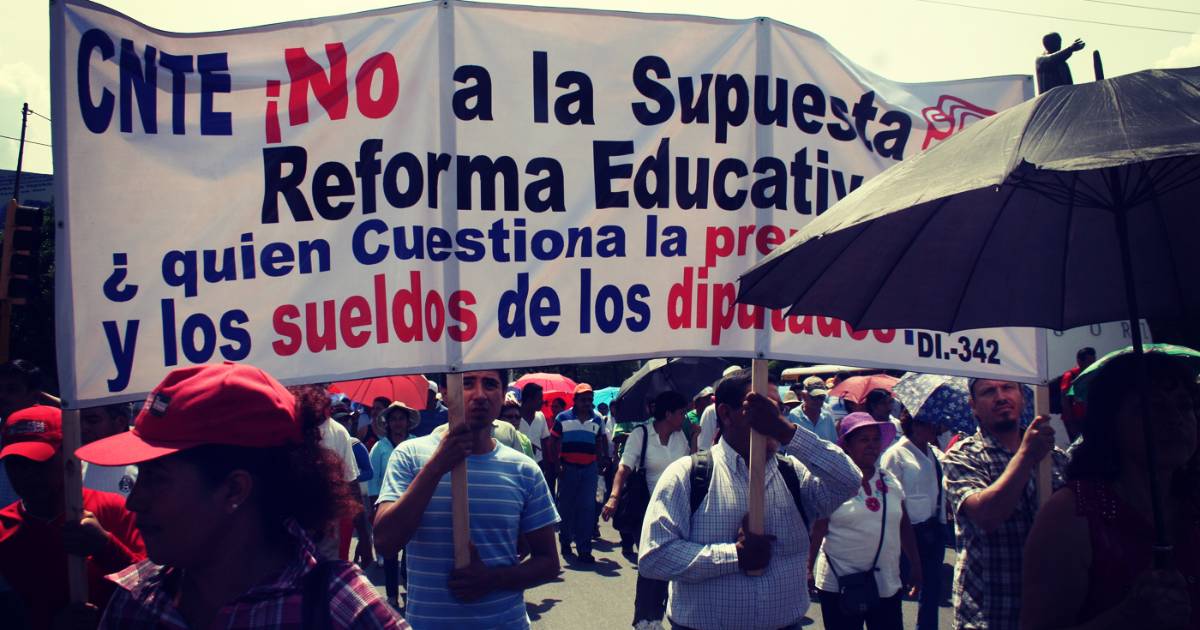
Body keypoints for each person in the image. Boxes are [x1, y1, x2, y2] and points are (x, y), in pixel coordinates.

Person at [75, 363, 405, 629]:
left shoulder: (341, 612)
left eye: (156, 478)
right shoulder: (134, 601)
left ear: (234, 489)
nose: (134, 501)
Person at [638, 369, 861, 629]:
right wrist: (734, 556)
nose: (771, 419)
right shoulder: (687, 475)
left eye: (777, 410)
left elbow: (849, 480)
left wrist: (787, 432)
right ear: (726, 414)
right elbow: (654, 557)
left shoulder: (794, 474)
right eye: (759, 410)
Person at [1020, 352, 1199, 629]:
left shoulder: (1192, 504)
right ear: (1110, 421)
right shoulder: (1072, 514)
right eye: (1153, 407)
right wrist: (1127, 616)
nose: (1175, 419)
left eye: (1184, 405)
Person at [373, 369, 560, 630]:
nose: (479, 394)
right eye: (467, 383)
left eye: (490, 384)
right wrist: (437, 466)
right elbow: (385, 542)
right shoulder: (409, 456)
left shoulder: (524, 470)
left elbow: (548, 563)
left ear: (502, 395)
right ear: (444, 392)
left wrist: (493, 579)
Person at [0, 405, 146, 629]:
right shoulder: (4, 529)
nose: (26, 475)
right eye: (15, 464)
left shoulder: (112, 509)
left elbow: (156, 588)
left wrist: (106, 547)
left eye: (39, 462)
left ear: (68, 455)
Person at [942, 378, 1067, 630]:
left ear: (1022, 397)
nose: (1000, 397)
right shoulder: (962, 456)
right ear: (973, 405)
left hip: (1048, 609)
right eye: (988, 391)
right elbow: (987, 516)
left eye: (1008, 388)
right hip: (990, 612)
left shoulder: (1055, 458)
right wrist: (1025, 456)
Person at [811, 413, 921, 630]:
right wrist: (807, 568)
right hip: (840, 584)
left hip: (886, 583)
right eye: (863, 439)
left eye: (875, 439)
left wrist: (916, 565)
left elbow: (903, 526)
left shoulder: (890, 481)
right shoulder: (832, 482)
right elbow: (818, 529)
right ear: (847, 445)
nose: (871, 445)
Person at [602, 391, 690, 626]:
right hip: (646, 510)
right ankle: (644, 619)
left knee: (669, 563)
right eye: (681, 413)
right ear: (668, 414)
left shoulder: (680, 437)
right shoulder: (641, 434)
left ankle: (657, 616)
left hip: (676, 510)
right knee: (650, 562)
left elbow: (689, 466)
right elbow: (623, 469)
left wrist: (696, 439)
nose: (684, 417)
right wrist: (613, 498)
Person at [881, 410, 946, 630]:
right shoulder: (896, 454)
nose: (934, 428)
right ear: (914, 425)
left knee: (932, 588)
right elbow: (889, 495)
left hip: (934, 528)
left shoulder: (935, 452)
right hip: (906, 531)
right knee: (898, 587)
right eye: (929, 423)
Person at [551, 383, 609, 563]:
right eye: (583, 399)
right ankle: (565, 542)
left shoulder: (597, 419)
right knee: (566, 508)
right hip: (568, 468)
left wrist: (601, 462)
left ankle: (584, 549)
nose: (587, 403)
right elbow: (554, 442)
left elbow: (600, 441)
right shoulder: (562, 418)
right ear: (575, 400)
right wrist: (557, 465)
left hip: (589, 469)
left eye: (589, 400)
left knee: (587, 509)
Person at [320, 397, 373, 566]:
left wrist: (364, 536)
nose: (345, 422)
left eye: (347, 419)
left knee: (335, 567)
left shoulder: (340, 433)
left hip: (336, 517)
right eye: (341, 419)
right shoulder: (288, 427)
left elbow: (353, 484)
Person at [0, 360, 44, 509]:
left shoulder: (48, 436)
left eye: (11, 390)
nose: (2, 396)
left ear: (34, 395)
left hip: (26, 520)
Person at [80, 402, 139, 497]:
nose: (83, 428)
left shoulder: (146, 468)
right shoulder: (74, 467)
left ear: (120, 422)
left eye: (92, 421)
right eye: (79, 420)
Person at [517, 383, 553, 490]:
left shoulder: (540, 416)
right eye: (539, 398)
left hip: (538, 464)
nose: (543, 401)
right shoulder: (514, 417)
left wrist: (547, 465)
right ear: (528, 400)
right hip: (519, 465)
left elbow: (545, 440)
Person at [1059, 347, 1096, 442]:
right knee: (1077, 444)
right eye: (1089, 361)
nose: (1092, 364)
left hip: (1087, 417)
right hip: (1074, 418)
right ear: (1079, 361)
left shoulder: (1092, 374)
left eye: (1093, 360)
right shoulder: (1070, 375)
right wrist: (1071, 424)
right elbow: (1065, 399)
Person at [789, 376, 838, 443]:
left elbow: (834, 443)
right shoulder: (793, 415)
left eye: (822, 397)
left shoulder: (827, 417)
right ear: (804, 395)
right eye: (814, 397)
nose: (819, 401)